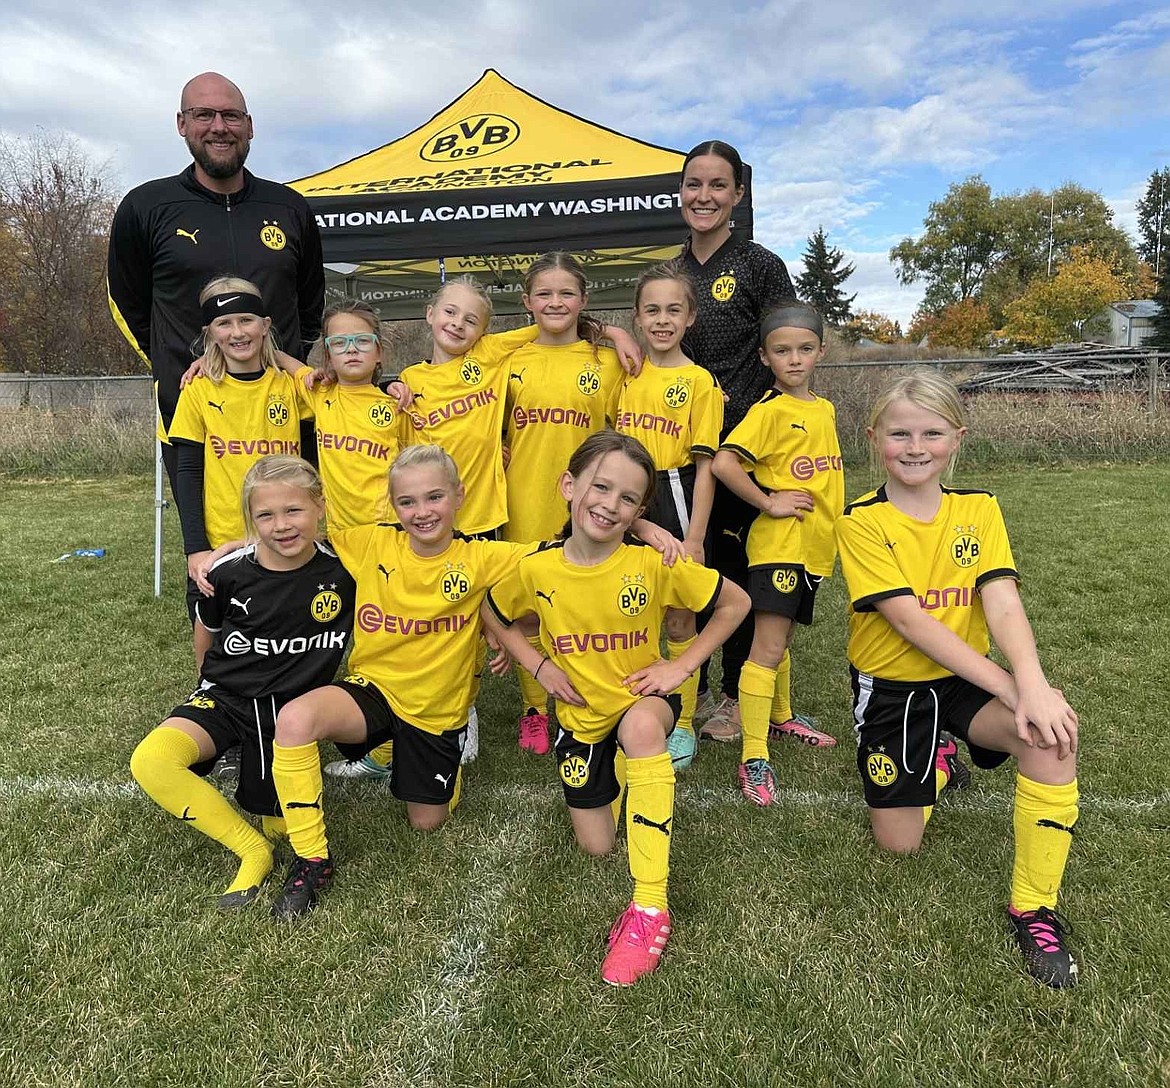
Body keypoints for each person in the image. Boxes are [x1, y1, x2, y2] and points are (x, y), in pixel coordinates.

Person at [835, 368, 1081, 988]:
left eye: (931, 433)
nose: (915, 447)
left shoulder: (980, 509)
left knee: (1049, 738)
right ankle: (941, 763)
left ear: (956, 439)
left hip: (964, 682)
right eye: (900, 434)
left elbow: (1000, 602)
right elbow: (911, 624)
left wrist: (1033, 684)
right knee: (900, 846)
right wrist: (1010, 687)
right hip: (893, 687)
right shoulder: (860, 521)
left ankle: (1033, 907)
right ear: (874, 439)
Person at [484, 431, 750, 986]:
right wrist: (538, 667)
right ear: (569, 486)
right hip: (580, 717)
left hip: (642, 701)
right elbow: (493, 613)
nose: (610, 504)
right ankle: (628, 781)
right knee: (598, 845)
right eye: (600, 487)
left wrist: (681, 668)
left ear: (638, 511)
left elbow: (736, 602)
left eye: (628, 499)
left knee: (642, 729)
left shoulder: (652, 564)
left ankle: (650, 907)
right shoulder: (536, 569)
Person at [266, 445, 527, 919]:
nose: (422, 512)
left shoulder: (485, 557)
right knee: (296, 718)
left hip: (435, 711)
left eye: (434, 498)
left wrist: (644, 526)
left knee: (427, 824)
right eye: (407, 502)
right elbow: (295, 533)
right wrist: (224, 551)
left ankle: (422, 759)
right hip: (374, 690)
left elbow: (567, 558)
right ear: (392, 505)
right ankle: (312, 858)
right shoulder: (371, 543)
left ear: (459, 496)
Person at [129, 455, 354, 910]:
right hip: (227, 698)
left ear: (320, 507)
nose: (281, 525)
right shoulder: (227, 572)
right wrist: (202, 682)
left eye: (293, 510)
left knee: (279, 820)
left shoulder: (347, 569)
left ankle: (273, 824)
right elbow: (206, 628)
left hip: (290, 718)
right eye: (265, 515)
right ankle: (251, 851)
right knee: (152, 761)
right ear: (250, 519)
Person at [107, 71, 324, 500]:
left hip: (283, 410)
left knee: (294, 531)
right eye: (203, 114)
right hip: (194, 405)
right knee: (212, 547)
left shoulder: (289, 207)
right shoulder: (145, 206)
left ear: (250, 126)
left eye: (231, 115)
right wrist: (176, 361)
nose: (219, 127)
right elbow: (125, 300)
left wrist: (279, 360)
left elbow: (310, 304)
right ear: (181, 123)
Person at [675, 140, 797, 742]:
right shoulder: (672, 272)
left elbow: (790, 343)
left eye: (717, 185)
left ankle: (733, 692)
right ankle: (690, 685)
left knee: (748, 569)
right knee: (698, 569)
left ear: (738, 196)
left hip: (750, 449)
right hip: (686, 451)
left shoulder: (760, 265)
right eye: (694, 184)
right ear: (680, 193)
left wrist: (780, 422)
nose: (705, 196)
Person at [712, 301, 843, 805]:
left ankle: (782, 717)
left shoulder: (824, 409)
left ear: (820, 352)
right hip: (778, 547)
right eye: (782, 351)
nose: (794, 360)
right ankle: (753, 755)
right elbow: (725, 463)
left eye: (805, 350)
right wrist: (769, 500)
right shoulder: (769, 412)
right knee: (764, 647)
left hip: (813, 548)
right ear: (765, 357)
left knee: (782, 639)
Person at [502, 253, 626, 755]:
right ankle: (534, 708)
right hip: (523, 497)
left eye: (566, 293)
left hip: (588, 504)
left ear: (584, 301)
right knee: (530, 608)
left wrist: (615, 334)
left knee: (587, 602)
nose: (556, 302)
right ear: (527, 302)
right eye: (545, 294)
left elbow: (622, 436)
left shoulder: (609, 361)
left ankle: (594, 697)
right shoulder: (506, 360)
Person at [615, 263, 723, 771]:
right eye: (651, 310)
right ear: (637, 317)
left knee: (681, 611)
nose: (662, 320)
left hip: (675, 493)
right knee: (631, 604)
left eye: (673, 310)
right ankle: (637, 707)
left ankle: (680, 721)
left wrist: (696, 535)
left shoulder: (699, 382)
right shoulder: (624, 371)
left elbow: (706, 467)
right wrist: (611, 332)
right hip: (621, 496)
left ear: (691, 318)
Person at [168, 277, 310, 631]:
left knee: (286, 637)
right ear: (210, 332)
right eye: (224, 323)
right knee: (225, 642)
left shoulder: (291, 385)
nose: (237, 332)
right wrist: (195, 547)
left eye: (246, 320)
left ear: (265, 325)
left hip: (287, 535)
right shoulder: (197, 389)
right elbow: (187, 471)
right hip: (223, 541)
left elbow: (319, 451)